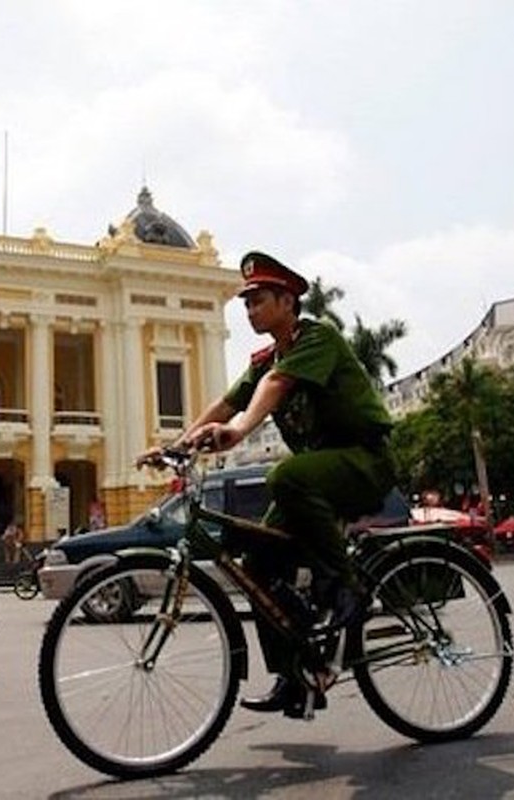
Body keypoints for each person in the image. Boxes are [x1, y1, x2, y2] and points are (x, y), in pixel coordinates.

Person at [140, 250, 395, 718]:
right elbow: (227, 402)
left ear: (286, 301)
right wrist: (176, 445)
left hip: (364, 463)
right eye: (247, 303)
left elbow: (274, 387)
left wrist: (238, 433)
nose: (250, 310)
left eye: (258, 300)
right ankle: (295, 675)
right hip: (320, 477)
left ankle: (348, 586)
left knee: (284, 475)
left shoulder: (316, 338)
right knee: (257, 563)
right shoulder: (264, 358)